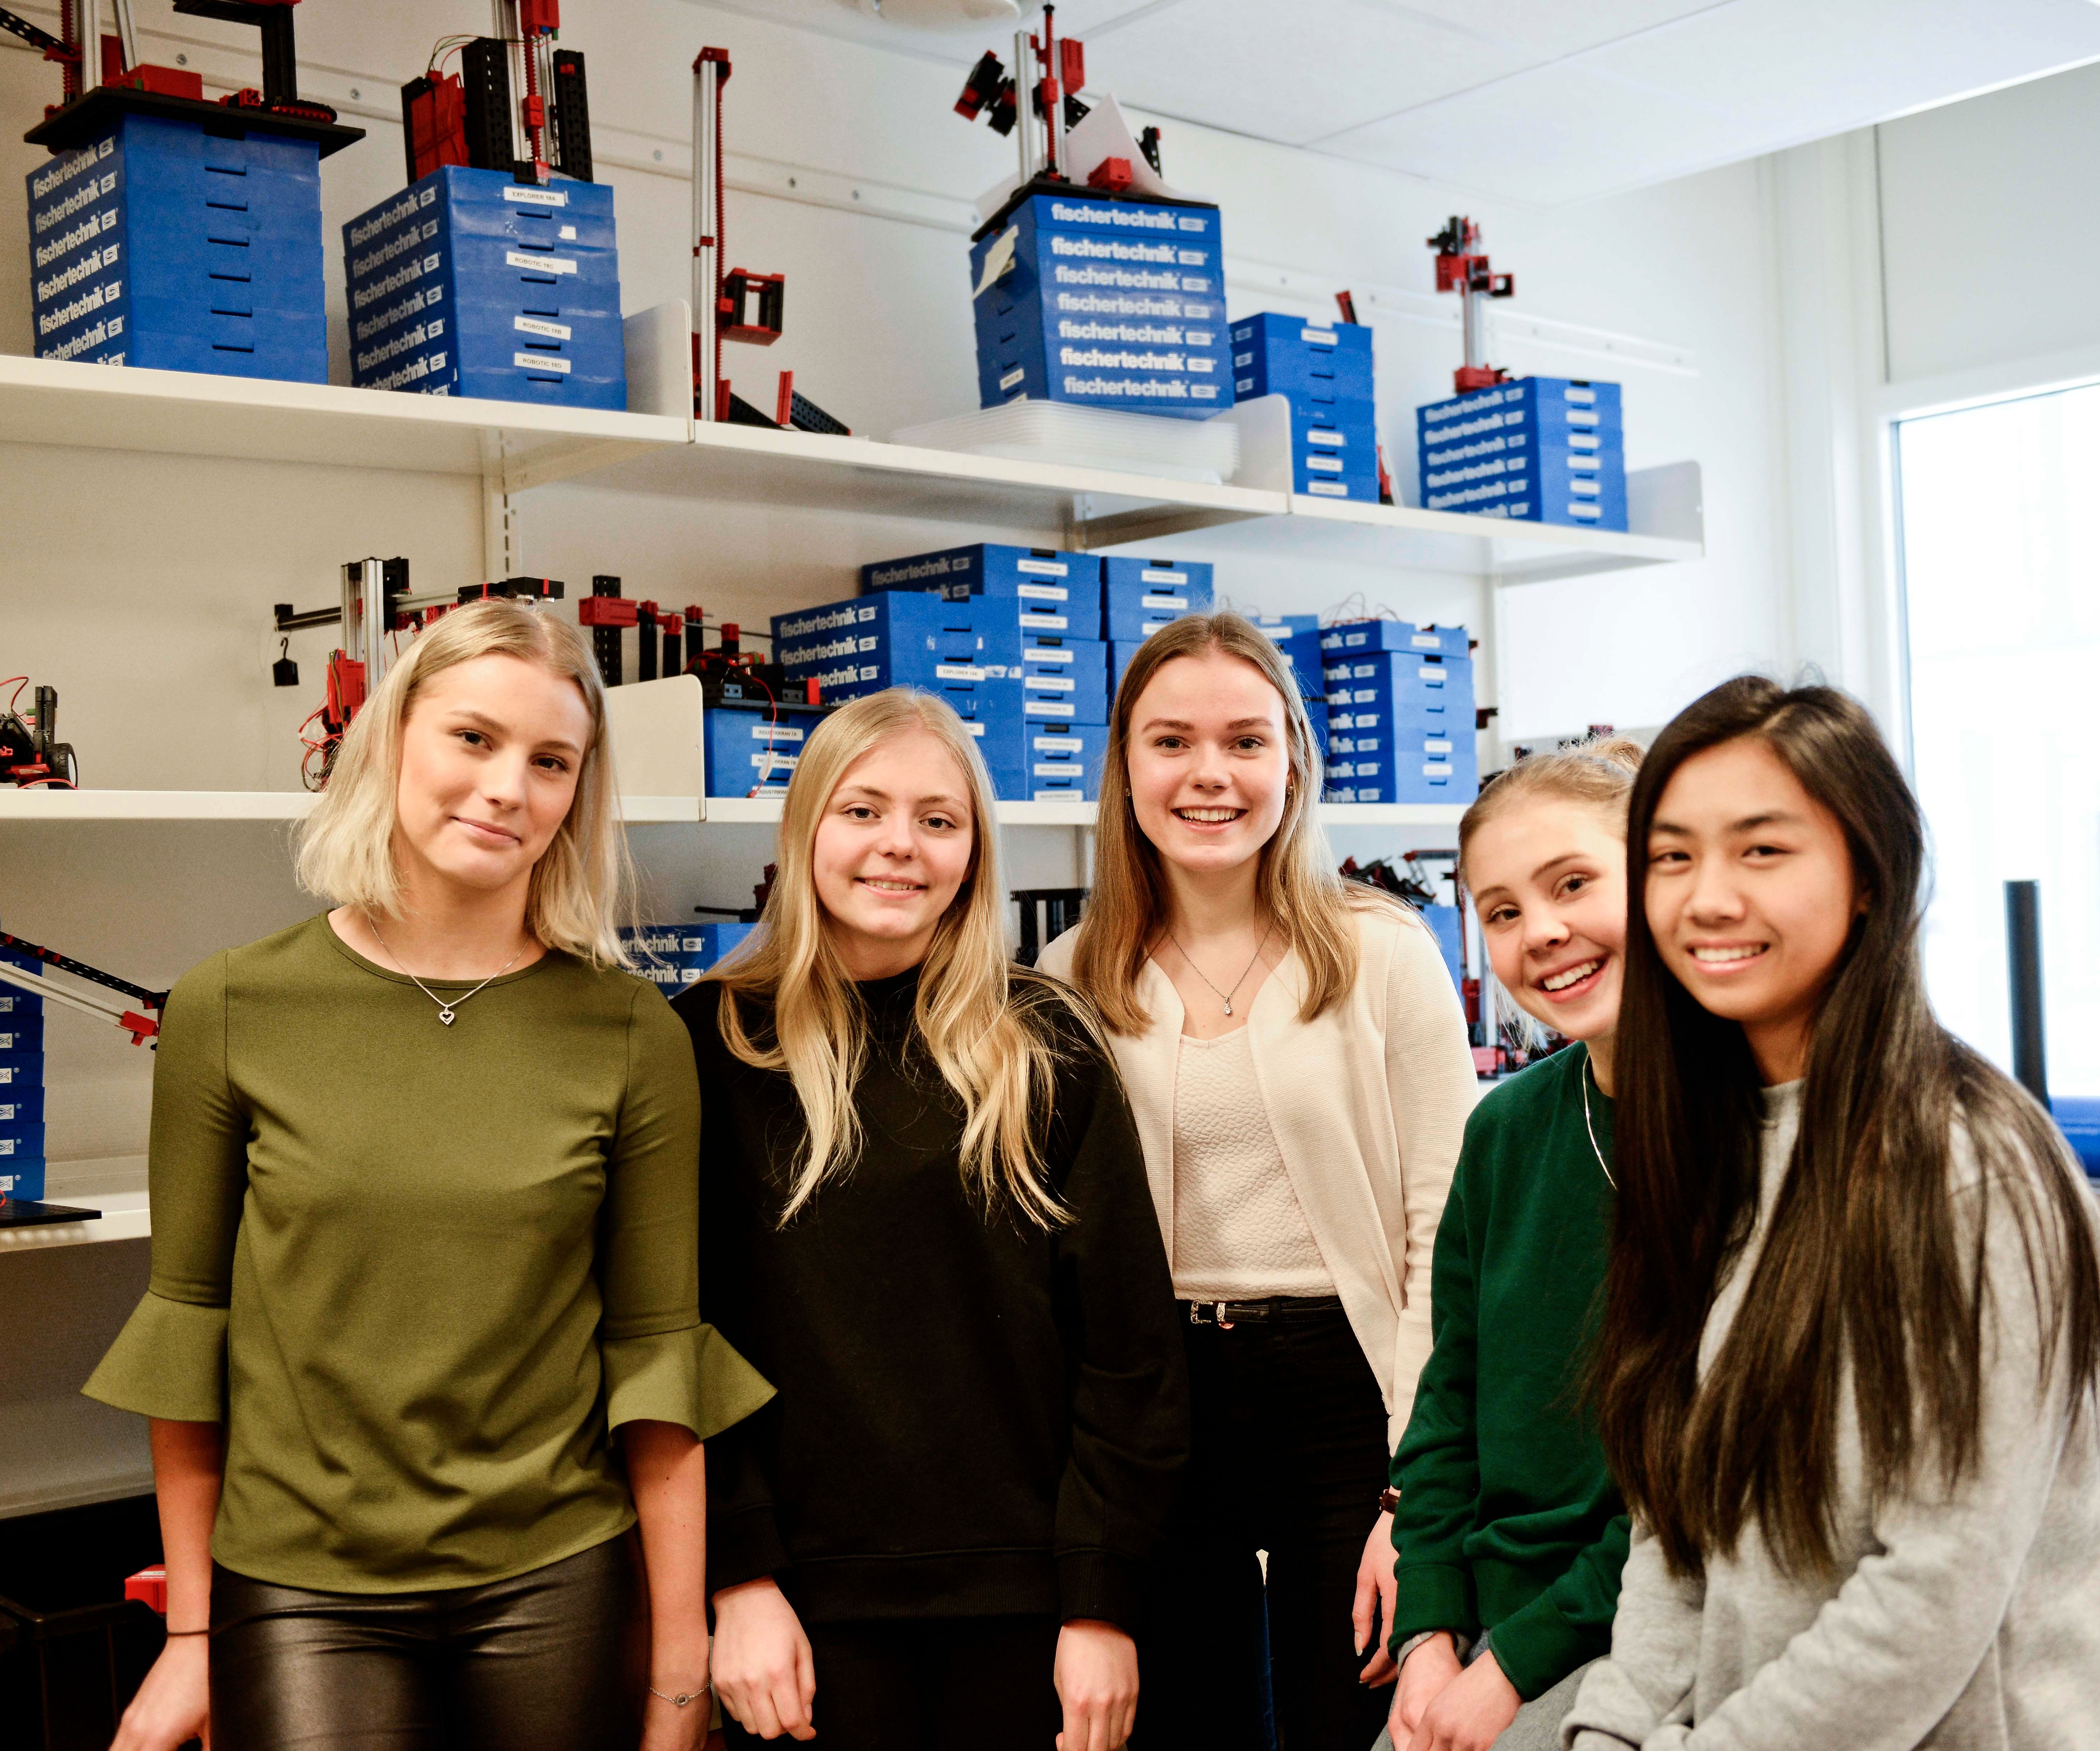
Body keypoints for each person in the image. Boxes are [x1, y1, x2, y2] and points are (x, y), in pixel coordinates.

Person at [86, 601, 770, 1751]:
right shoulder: (229, 1007)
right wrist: (193, 1635)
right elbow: (187, 1339)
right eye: (474, 738)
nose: (508, 788)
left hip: (561, 1573)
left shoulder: (630, 1033)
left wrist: (679, 1668)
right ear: (395, 738)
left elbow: (658, 1358)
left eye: (551, 762)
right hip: (298, 1584)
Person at [1564, 677, 2100, 1751]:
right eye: (1673, 857)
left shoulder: (1968, 1169)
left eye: (1762, 851)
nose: (1707, 898)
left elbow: (1932, 1594)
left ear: (1869, 875)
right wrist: (1614, 1728)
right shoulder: (1714, 1143)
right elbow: (1675, 1525)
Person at [675, 688, 1185, 1751]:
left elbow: (1128, 1345)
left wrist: (1101, 1602)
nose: (899, 845)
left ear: (974, 851)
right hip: (800, 1615)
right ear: (805, 827)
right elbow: (678, 1339)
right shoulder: (708, 1045)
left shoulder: (1044, 1040)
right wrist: (739, 1579)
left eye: (938, 819)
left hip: (1030, 1608)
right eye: (862, 810)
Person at [1038, 612, 1479, 1751]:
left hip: (1348, 1396)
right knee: (1190, 1726)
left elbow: (1447, 1236)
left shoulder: (1382, 952)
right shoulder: (1070, 974)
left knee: (1356, 1714)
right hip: (1161, 1404)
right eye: (1171, 742)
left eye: (1245, 741)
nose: (1210, 774)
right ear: (1125, 767)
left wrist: (1414, 1494)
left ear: (1294, 759)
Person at [1381, 743, 1647, 1751]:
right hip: (1486, 1628)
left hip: (1627, 1625)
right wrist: (1427, 1631)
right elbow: (1450, 1398)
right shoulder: (1507, 1129)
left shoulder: (1744, 1137)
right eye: (1499, 912)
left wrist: (1508, 1670)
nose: (1540, 931)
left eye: (1573, 884)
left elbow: (1696, 1495)